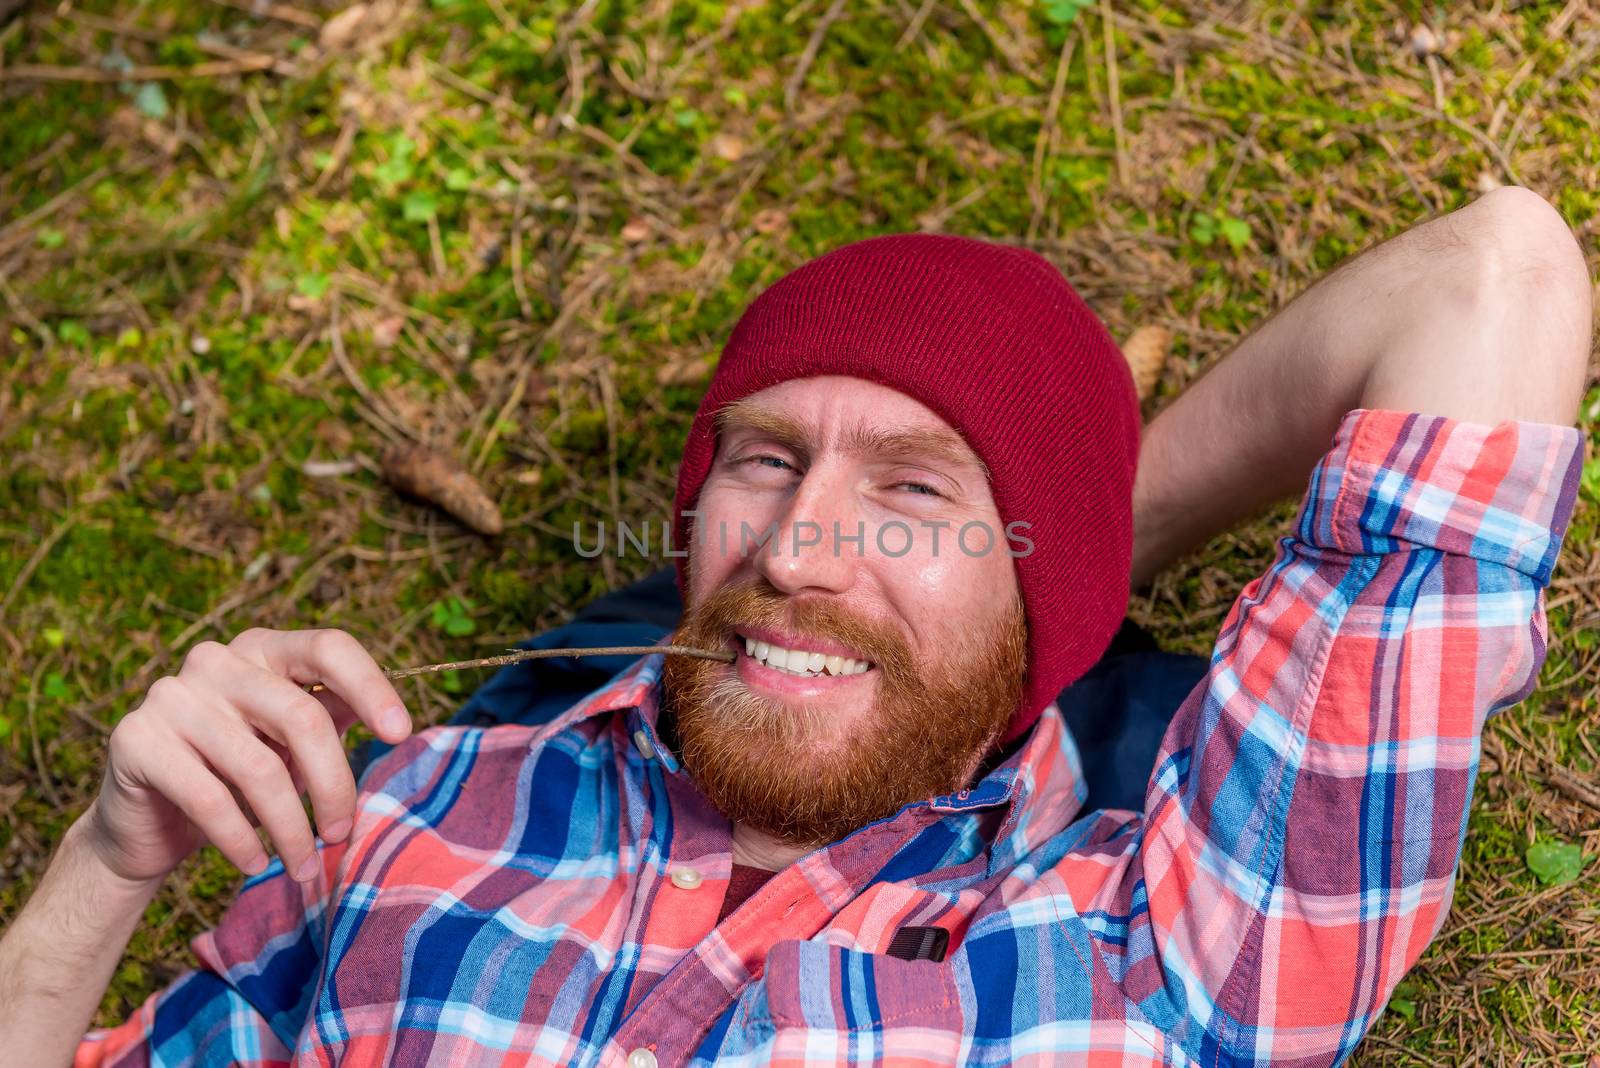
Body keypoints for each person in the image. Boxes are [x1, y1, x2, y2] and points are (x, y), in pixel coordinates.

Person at [0, 186, 1588, 1067]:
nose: (800, 544)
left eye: (911, 487)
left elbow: (1491, 278)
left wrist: (1084, 551)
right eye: (765, 461)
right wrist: (108, 864)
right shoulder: (398, 818)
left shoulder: (1181, 942)